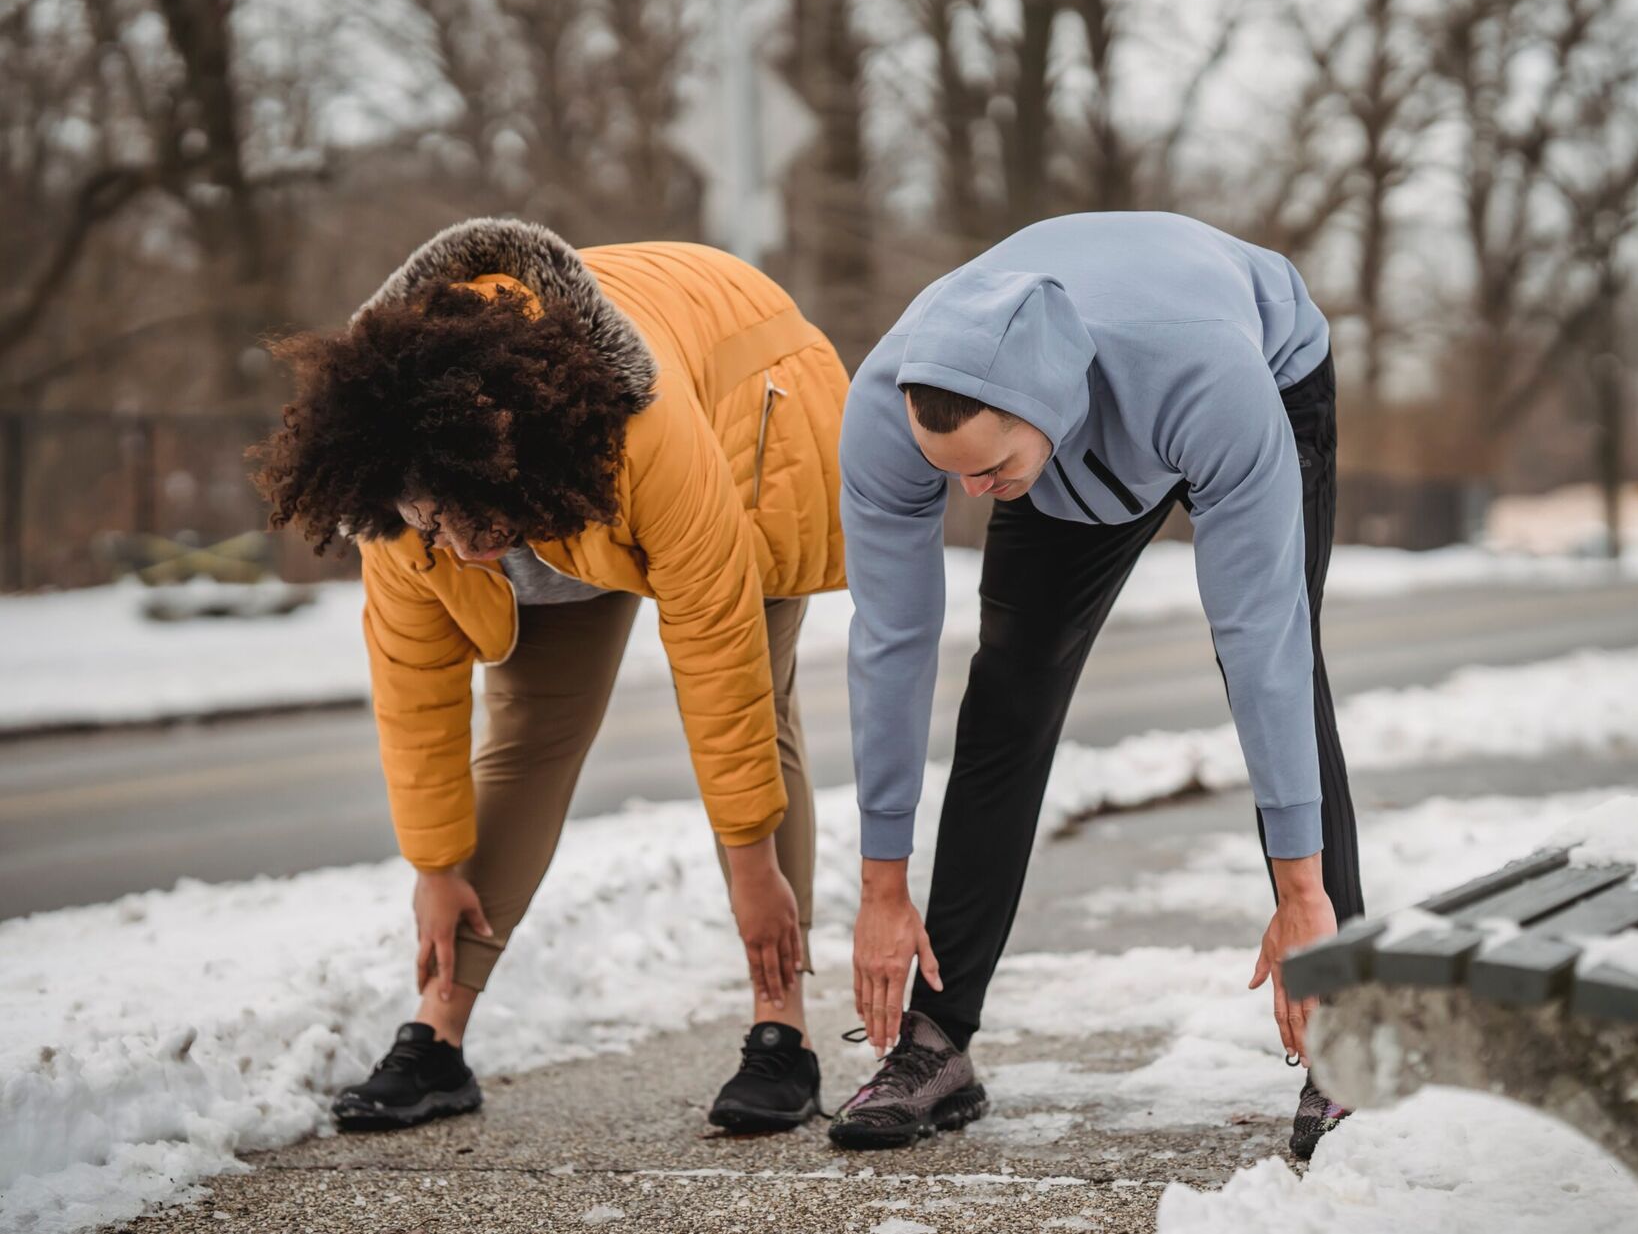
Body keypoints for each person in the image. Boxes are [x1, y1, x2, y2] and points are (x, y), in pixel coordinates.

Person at [251, 218, 847, 1135]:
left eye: (460, 524)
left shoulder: (643, 437)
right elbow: (416, 691)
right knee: (529, 733)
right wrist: (436, 865)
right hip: (549, 479)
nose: (448, 550)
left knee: (760, 709)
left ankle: (783, 1034)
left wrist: (752, 865)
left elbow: (717, 663)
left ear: (513, 477)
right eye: (427, 527)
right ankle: (436, 1038)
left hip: (744, 397)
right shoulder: (398, 494)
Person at [830, 211, 1362, 1158]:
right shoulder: (891, 406)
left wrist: (1300, 894)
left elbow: (1261, 643)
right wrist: (881, 882)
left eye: (989, 469)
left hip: (1257, 368)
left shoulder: (1208, 382)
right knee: (1009, 693)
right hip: (1077, 416)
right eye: (950, 472)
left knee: (1289, 666)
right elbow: (892, 641)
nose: (969, 495)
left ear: (1050, 412)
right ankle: (938, 1039)